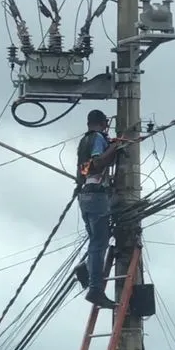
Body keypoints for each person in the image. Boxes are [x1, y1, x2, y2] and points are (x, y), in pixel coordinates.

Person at [76, 109, 119, 309]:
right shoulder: (97, 138)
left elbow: (85, 169)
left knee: (98, 239)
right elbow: (97, 163)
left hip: (85, 194)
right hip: (96, 194)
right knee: (99, 243)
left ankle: (86, 268)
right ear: (103, 123)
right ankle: (95, 289)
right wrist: (116, 146)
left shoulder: (83, 141)